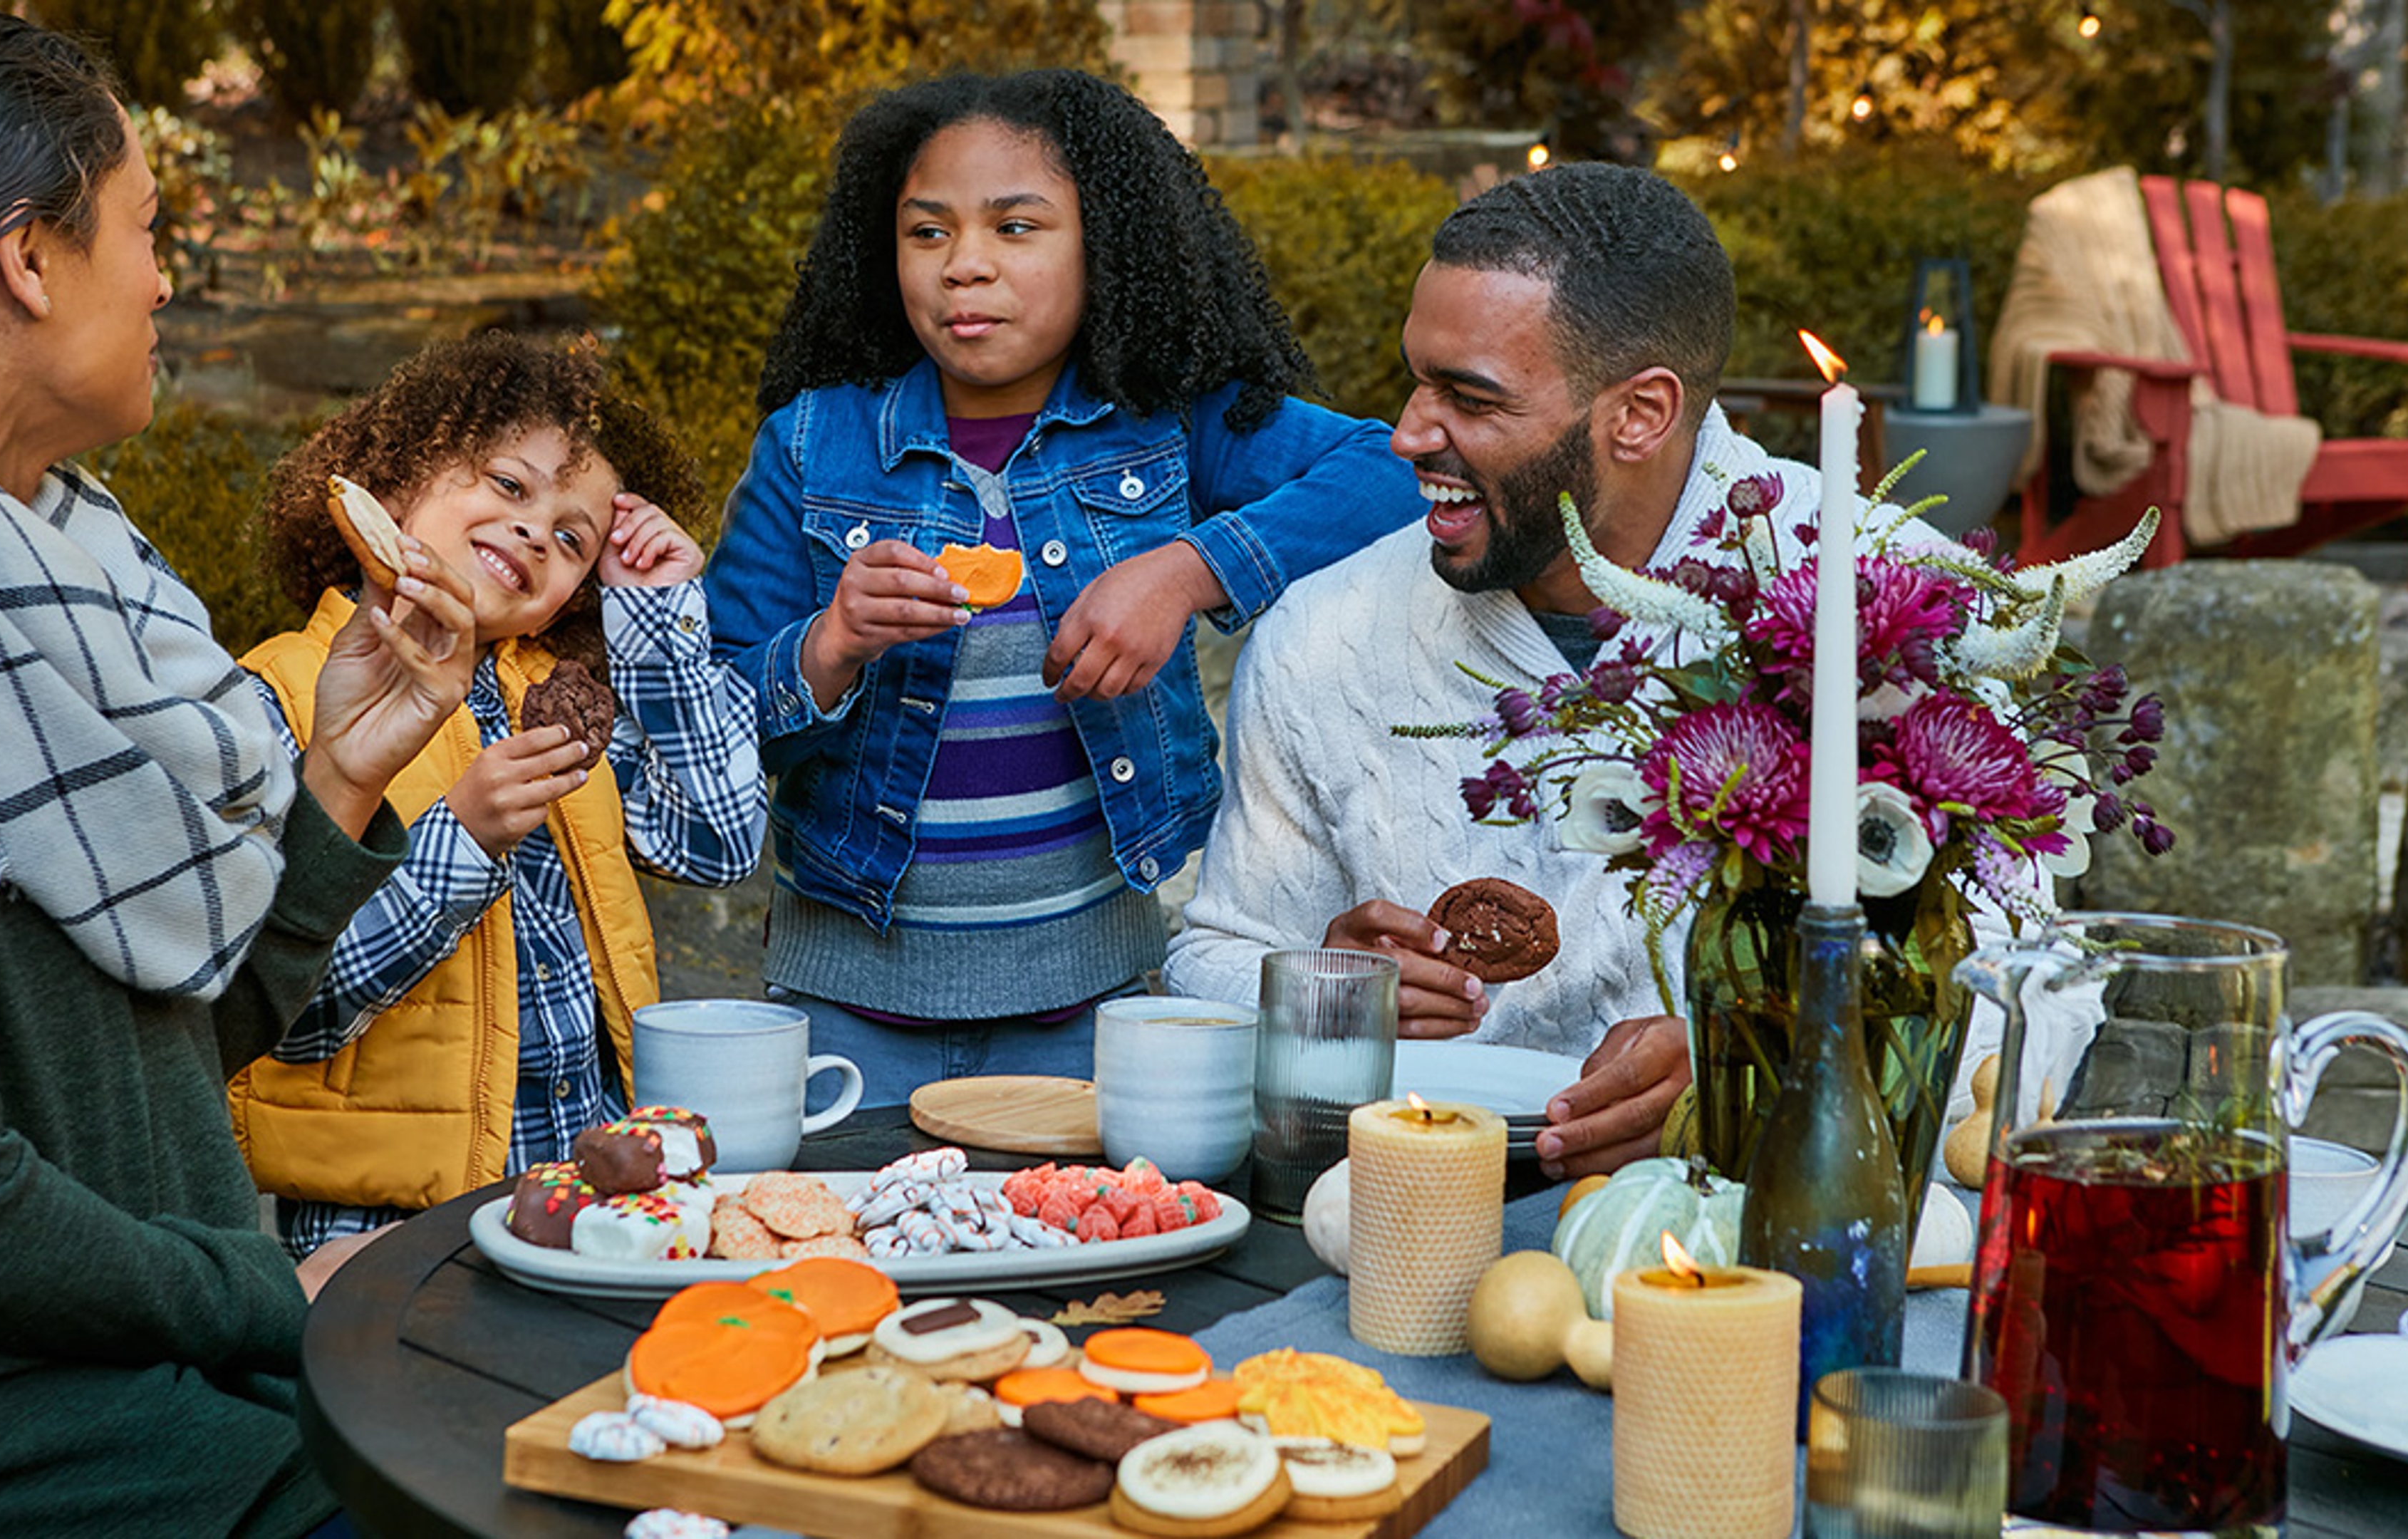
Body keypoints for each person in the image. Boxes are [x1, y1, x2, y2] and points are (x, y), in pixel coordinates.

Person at [0, 11, 482, 1536]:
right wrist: (279, 1295)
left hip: (145, 1378)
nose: (161, 279)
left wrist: (336, 777)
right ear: (27, 257)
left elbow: (131, 1071)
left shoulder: (59, 568)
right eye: (145, 230)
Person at [705, 69, 1418, 1104]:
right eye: (929, 233)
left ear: (1107, 249)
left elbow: (1395, 470)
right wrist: (829, 646)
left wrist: (1184, 571)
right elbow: (714, 724)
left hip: (1091, 1016)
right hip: (845, 1016)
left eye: (1017, 227)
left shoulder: (1168, 422)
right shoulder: (813, 447)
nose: (966, 268)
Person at [1171, 161, 1802, 1178]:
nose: (1409, 435)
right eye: (1417, 379)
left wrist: (1760, 1064)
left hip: (1749, 1246)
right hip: (1397, 1220)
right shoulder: (1327, 632)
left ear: (1639, 414)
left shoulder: (1872, 611)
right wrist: (1322, 992)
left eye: (1470, 398)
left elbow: (2025, 994)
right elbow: (1211, 959)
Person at [234, 332, 765, 1258]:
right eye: (510, 487)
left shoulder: (560, 705)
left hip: (591, 1203)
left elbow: (715, 840)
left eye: (573, 539)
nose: (533, 531)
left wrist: (661, 616)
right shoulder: (278, 695)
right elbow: (284, 1009)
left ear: (566, 599)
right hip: (388, 1223)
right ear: (393, 478)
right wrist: (464, 839)